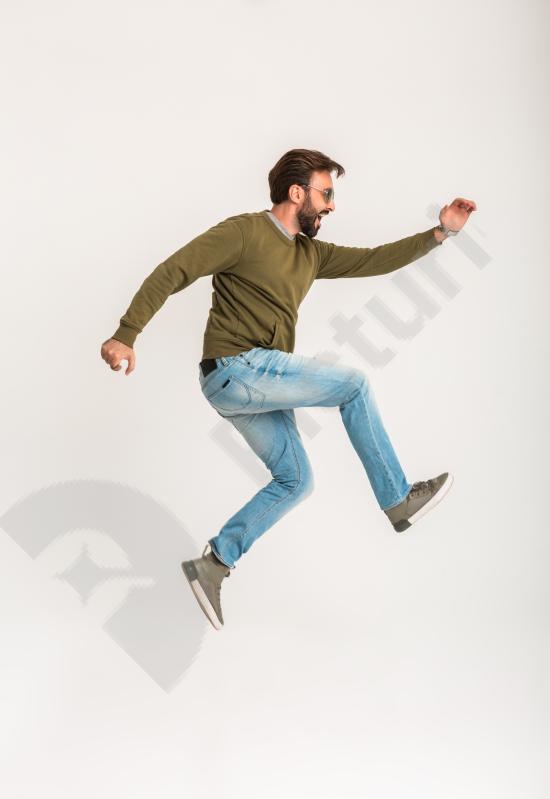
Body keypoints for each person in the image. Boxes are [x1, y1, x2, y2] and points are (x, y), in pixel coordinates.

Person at [100, 148, 477, 630]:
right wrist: (126, 334)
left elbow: (376, 260)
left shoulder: (310, 253)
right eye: (326, 194)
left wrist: (440, 233)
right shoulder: (243, 233)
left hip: (242, 383)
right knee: (354, 385)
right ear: (296, 193)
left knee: (296, 481)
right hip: (238, 367)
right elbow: (175, 269)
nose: (332, 206)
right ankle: (398, 499)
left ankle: (214, 563)